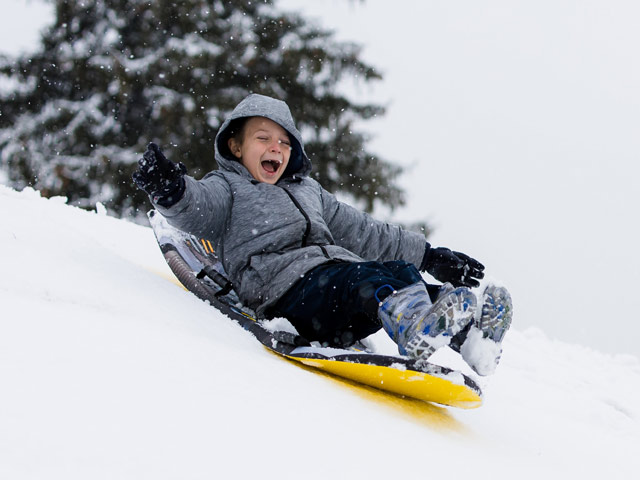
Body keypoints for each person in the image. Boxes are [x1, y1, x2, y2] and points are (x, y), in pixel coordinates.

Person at [133, 93, 512, 375]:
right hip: (285, 293)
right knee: (366, 280)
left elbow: (364, 230)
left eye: (284, 142)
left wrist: (428, 256)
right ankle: (416, 325)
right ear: (235, 146)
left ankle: (471, 337)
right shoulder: (227, 187)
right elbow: (197, 209)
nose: (275, 149)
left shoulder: (308, 191)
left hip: (334, 295)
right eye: (263, 138)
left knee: (397, 273)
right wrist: (171, 190)